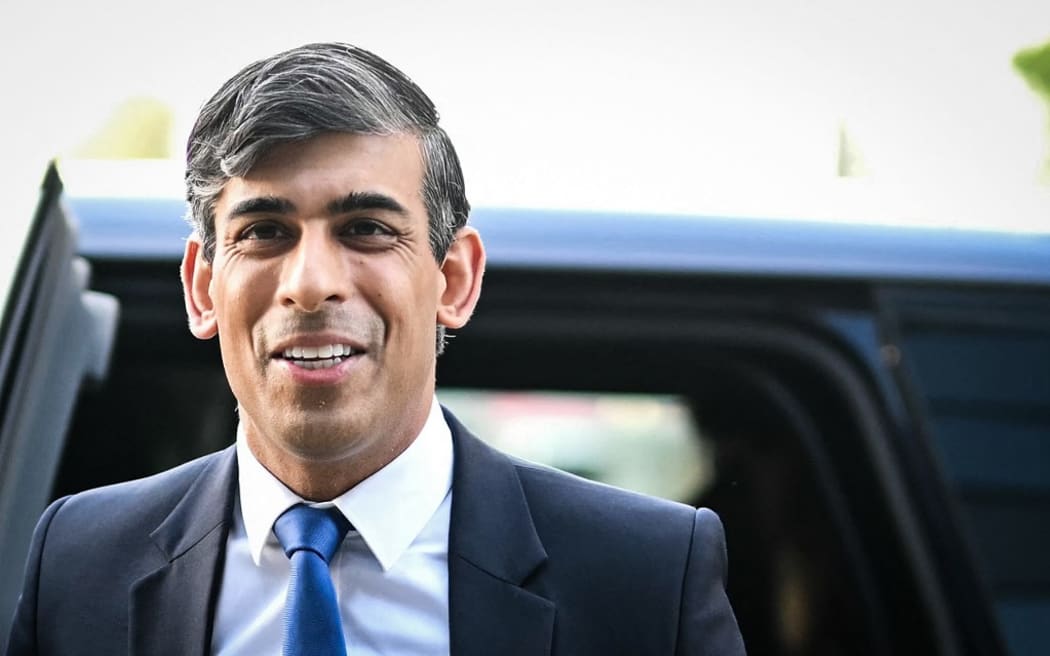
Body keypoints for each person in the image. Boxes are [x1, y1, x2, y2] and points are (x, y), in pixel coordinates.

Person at [4, 42, 745, 655]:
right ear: (202, 289)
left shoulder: (641, 578)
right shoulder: (81, 562)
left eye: (365, 229)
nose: (312, 284)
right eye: (264, 231)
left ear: (453, 278)